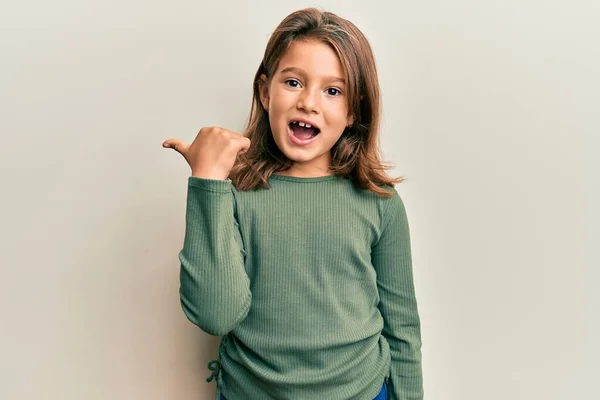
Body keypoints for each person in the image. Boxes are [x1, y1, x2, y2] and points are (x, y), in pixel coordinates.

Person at [162, 7, 423, 400]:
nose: (309, 103)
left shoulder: (379, 203)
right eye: (294, 82)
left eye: (332, 91)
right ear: (266, 92)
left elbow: (402, 328)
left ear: (353, 111)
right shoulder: (231, 195)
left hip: (363, 392)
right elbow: (216, 314)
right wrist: (207, 182)